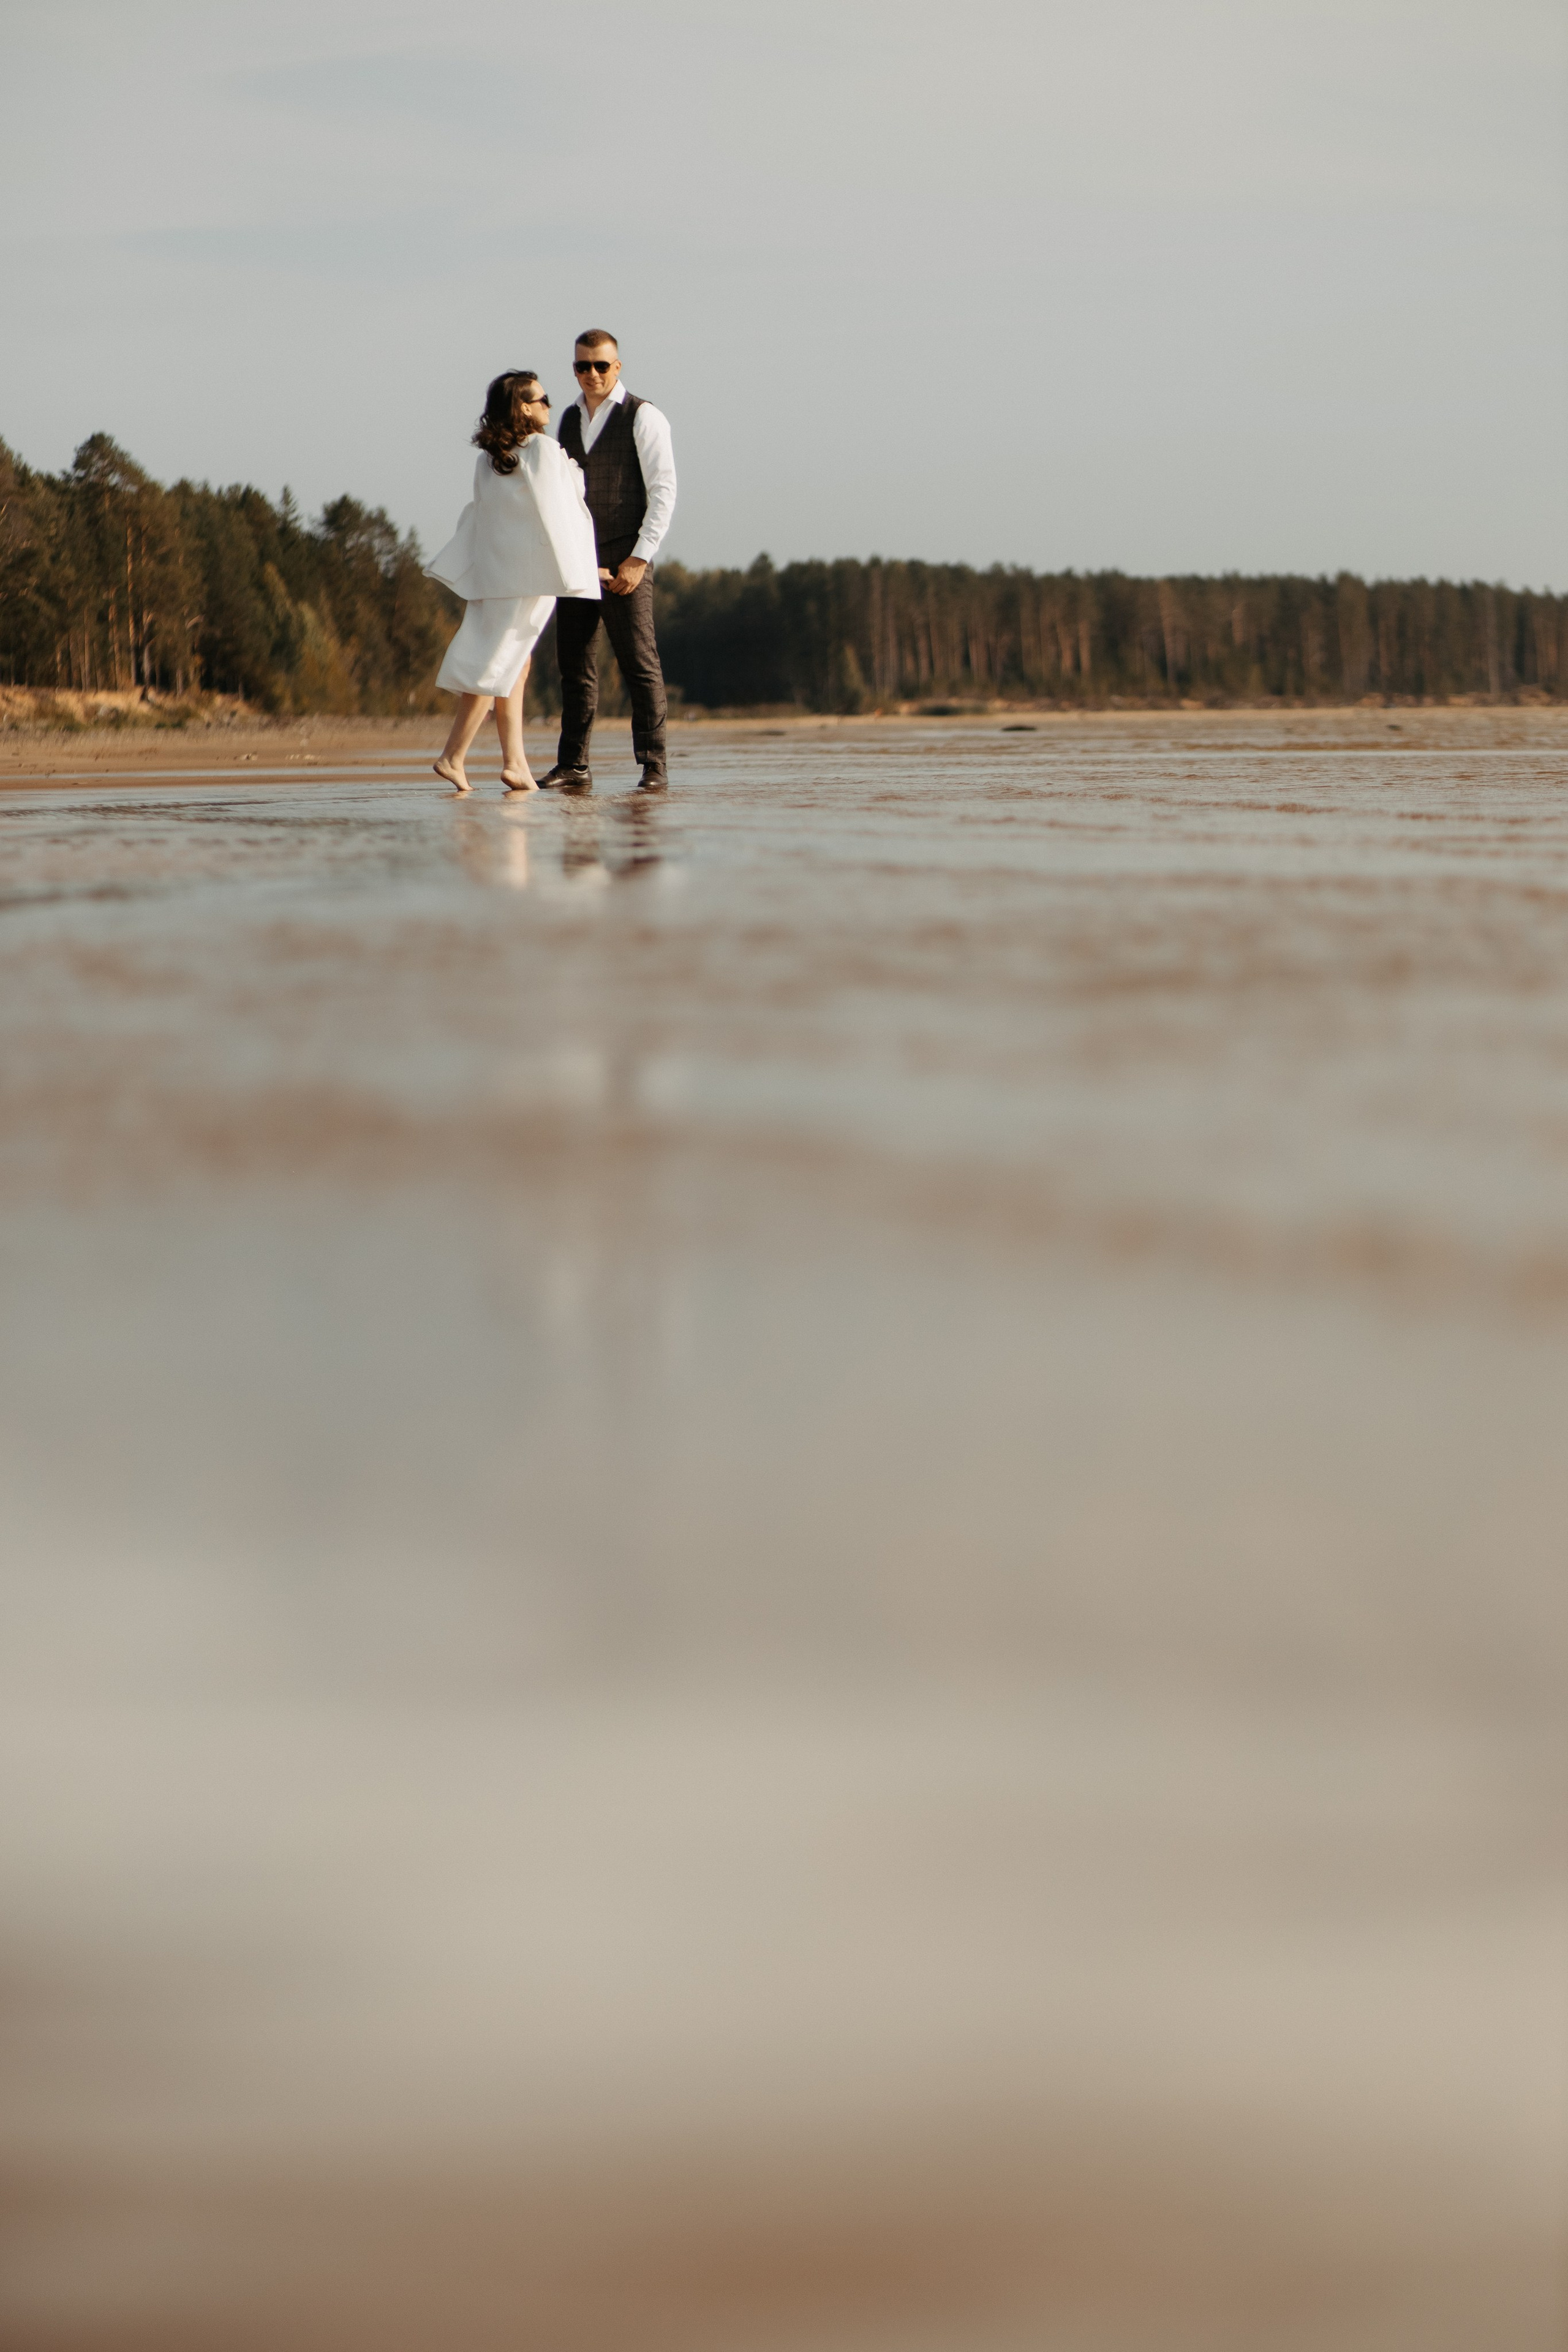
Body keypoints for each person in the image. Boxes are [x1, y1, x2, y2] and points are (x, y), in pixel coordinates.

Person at [425, 371, 600, 793]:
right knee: (500, 663)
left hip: (497, 574)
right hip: (529, 576)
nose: (548, 406)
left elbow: (482, 516)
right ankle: (453, 756)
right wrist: (582, 569)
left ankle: (515, 762)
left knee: (515, 666)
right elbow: (560, 508)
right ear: (523, 406)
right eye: (542, 399)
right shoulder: (540, 448)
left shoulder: (489, 458)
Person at [538, 330, 677, 793]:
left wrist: (639, 558)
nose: (591, 374)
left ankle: (654, 766)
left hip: (625, 560)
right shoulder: (568, 420)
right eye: (582, 366)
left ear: (618, 368)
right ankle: (573, 764)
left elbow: (664, 493)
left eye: (601, 366)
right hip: (576, 561)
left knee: (639, 662)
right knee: (574, 666)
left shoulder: (644, 416)